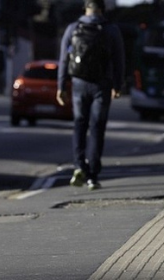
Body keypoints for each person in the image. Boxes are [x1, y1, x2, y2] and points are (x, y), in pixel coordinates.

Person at [57, 0, 125, 190]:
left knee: (79, 124)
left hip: (79, 83)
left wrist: (61, 86)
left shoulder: (73, 28)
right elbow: (119, 59)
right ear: (102, 9)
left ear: (85, 9)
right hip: (102, 85)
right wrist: (117, 85)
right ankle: (92, 175)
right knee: (97, 127)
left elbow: (64, 59)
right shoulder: (111, 30)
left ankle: (79, 166)